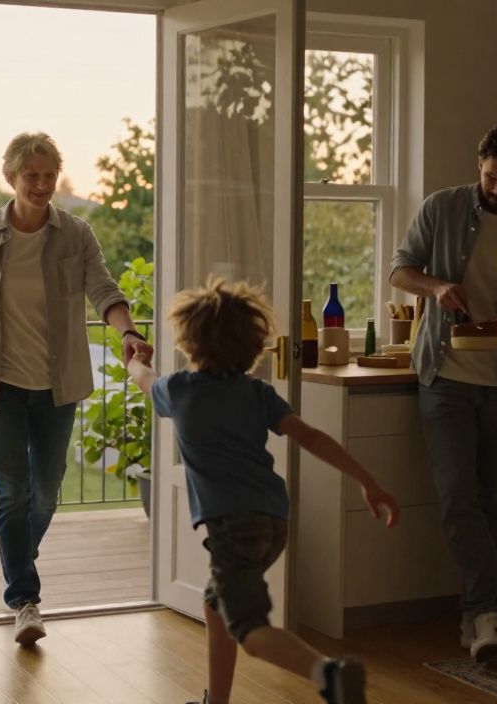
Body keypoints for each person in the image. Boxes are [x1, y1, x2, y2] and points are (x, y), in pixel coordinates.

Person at [125, 276, 400, 704]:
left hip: (233, 529)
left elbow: (144, 377)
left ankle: (327, 673)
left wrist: (136, 359)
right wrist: (369, 481)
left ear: (189, 341)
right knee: (218, 606)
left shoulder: (179, 391)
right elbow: (310, 437)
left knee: (250, 631)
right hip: (273, 519)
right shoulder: (257, 393)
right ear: (252, 345)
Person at [0, 131, 152, 646]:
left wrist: (126, 331)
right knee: (12, 492)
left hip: (58, 387)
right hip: (0, 385)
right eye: (31, 175)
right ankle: (25, 599)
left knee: (45, 490)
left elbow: (104, 289)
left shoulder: (76, 234)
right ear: (10, 177)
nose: (41, 185)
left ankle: (17, 561)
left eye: (48, 175)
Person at [389, 121, 497, 661]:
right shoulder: (441, 208)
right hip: (444, 378)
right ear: (480, 166)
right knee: (456, 499)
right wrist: (437, 286)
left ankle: (477, 618)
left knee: (495, 503)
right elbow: (400, 270)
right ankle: (489, 611)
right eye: (491, 178)